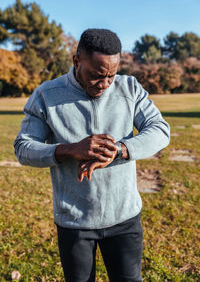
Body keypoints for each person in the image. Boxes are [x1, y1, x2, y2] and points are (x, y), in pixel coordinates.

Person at [14, 28, 170, 282]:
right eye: (97, 75)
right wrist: (68, 149)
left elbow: (160, 130)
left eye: (111, 75)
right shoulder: (46, 95)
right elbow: (23, 147)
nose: (105, 84)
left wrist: (121, 149)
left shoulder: (129, 88)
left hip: (125, 217)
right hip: (75, 222)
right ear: (77, 61)